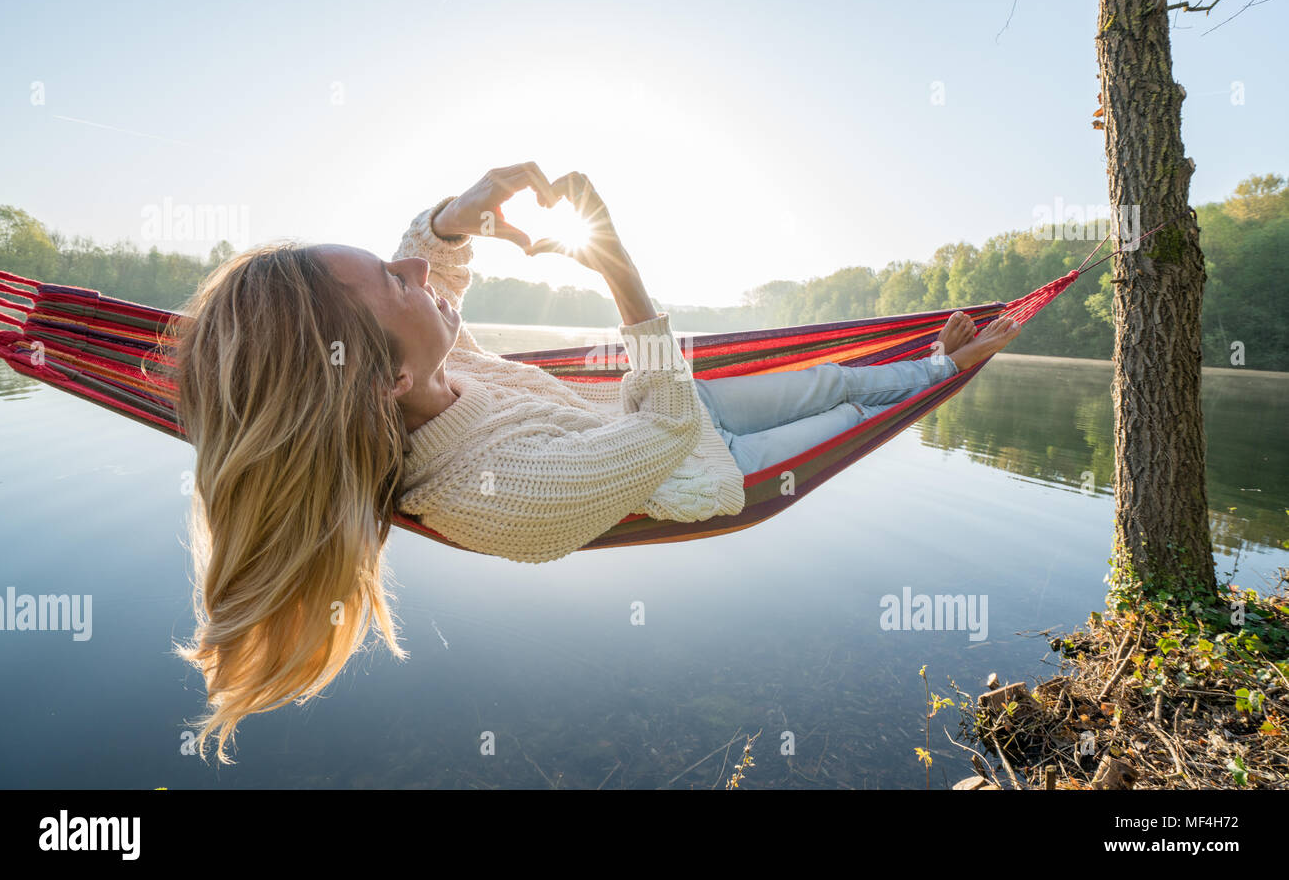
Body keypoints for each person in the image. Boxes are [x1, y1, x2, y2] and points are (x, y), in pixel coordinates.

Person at [169, 161, 1020, 761]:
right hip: (710, 469)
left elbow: (427, 283)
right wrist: (620, 270)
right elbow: (661, 434)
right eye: (395, 280)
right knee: (839, 412)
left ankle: (934, 362)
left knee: (834, 377)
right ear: (385, 376)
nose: (416, 266)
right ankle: (951, 369)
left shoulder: (417, 372)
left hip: (671, 403)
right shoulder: (487, 497)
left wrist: (456, 214)